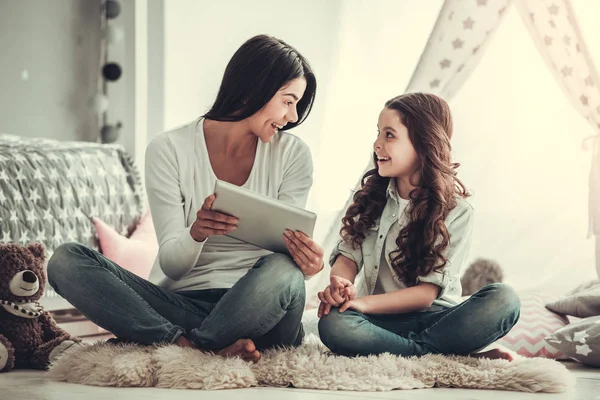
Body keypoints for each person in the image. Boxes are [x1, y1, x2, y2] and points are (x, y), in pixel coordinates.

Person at [47, 34, 324, 363]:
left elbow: (287, 257)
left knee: (284, 270)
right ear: (255, 88)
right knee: (65, 260)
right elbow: (172, 265)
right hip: (183, 305)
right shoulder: (169, 149)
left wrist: (310, 264)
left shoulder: (293, 155)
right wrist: (196, 234)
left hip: (260, 310)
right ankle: (193, 346)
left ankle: (184, 347)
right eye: (287, 101)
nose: (292, 116)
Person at [317, 92, 520, 360]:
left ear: (423, 143)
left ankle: (415, 351)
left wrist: (361, 303)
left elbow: (426, 294)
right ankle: (443, 356)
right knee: (333, 322)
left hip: (437, 319)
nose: (377, 144)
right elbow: (348, 256)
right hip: (380, 320)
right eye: (378, 133)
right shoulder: (369, 198)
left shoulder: (458, 212)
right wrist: (340, 285)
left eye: (389, 135)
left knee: (505, 300)